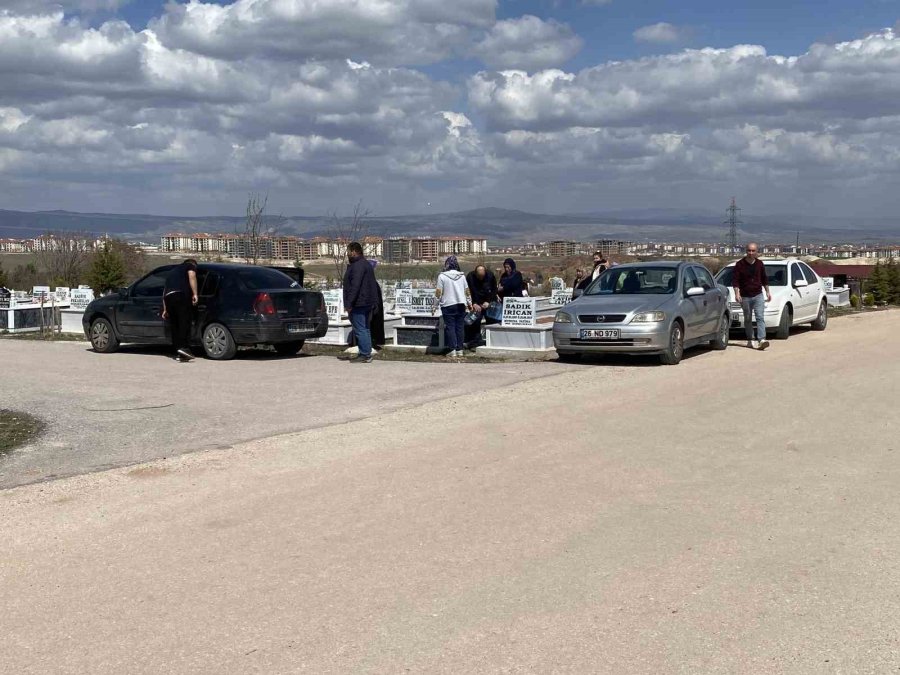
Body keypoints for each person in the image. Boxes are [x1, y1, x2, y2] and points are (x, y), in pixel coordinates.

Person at [343, 242, 380, 363]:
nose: (348, 254)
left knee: (360, 329)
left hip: (359, 302)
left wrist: (349, 303)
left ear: (354, 251)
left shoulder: (357, 266)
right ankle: (366, 352)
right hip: (367, 301)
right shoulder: (366, 264)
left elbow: (355, 286)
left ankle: (365, 354)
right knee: (365, 328)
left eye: (349, 252)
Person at [732, 242, 771, 350]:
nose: (751, 253)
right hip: (745, 296)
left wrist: (767, 292)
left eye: (753, 251)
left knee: (760, 317)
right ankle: (751, 339)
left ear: (756, 251)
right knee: (748, 318)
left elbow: (764, 279)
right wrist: (737, 293)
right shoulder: (740, 264)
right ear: (746, 251)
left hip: (758, 294)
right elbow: (735, 281)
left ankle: (762, 339)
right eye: (749, 250)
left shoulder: (759, 264)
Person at [434, 255, 472, 358]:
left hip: (448, 304)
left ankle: (452, 349)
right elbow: (467, 291)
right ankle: (460, 349)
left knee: (450, 327)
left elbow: (438, 292)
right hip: (461, 304)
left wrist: (434, 305)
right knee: (460, 327)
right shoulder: (462, 276)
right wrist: (469, 303)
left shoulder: (442, 276)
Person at [161, 258, 198, 362]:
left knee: (175, 325)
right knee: (184, 322)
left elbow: (164, 291)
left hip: (169, 298)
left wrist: (165, 309)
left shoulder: (172, 272)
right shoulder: (190, 265)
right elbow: (192, 276)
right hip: (180, 295)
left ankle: (179, 352)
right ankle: (184, 348)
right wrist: (195, 293)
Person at [465, 264, 498, 347]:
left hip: (488, 302)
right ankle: (475, 342)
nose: (481, 278)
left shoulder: (490, 276)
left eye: (482, 276)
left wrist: (489, 302)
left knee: (491, 322)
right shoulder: (470, 277)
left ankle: (492, 342)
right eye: (479, 276)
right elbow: (467, 292)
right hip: (476, 303)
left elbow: (494, 290)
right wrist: (473, 303)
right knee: (474, 323)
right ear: (475, 273)